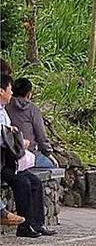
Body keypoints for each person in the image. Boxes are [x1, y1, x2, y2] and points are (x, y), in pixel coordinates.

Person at [0, 74, 56, 237]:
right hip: (4, 162)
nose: (11, 92)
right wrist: (19, 141)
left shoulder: (5, 110)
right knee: (22, 182)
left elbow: (9, 132)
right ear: (1, 91)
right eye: (8, 89)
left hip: (12, 160)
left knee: (35, 181)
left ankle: (37, 224)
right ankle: (24, 226)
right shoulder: (27, 109)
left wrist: (15, 137)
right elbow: (4, 137)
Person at [6, 78, 58, 168]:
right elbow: (41, 135)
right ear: (28, 94)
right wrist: (48, 153)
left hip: (8, 152)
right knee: (52, 166)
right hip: (28, 152)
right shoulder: (32, 109)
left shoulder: (5, 106)